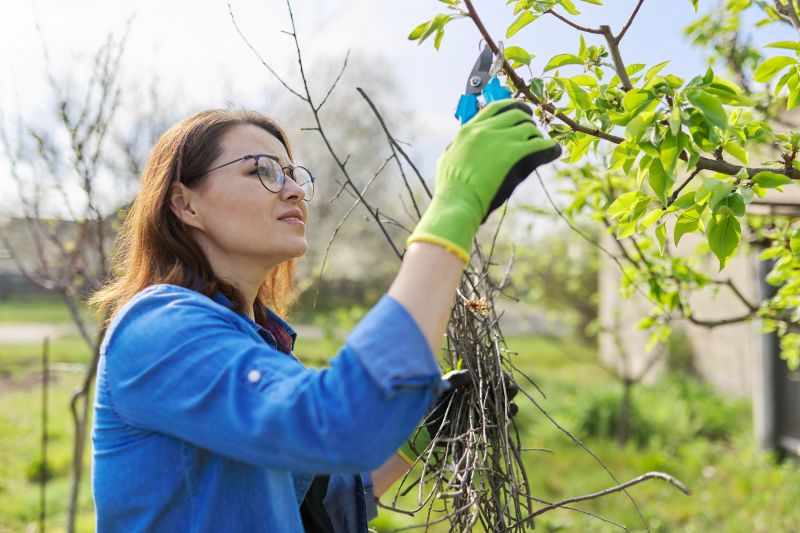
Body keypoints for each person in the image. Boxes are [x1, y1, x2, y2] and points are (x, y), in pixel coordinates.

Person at [89, 99, 560, 532]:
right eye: (264, 171)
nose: (294, 190)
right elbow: (334, 425)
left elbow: (312, 503)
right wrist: (455, 206)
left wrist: (419, 439)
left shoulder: (260, 343)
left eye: (294, 175)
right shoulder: (160, 329)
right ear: (185, 203)